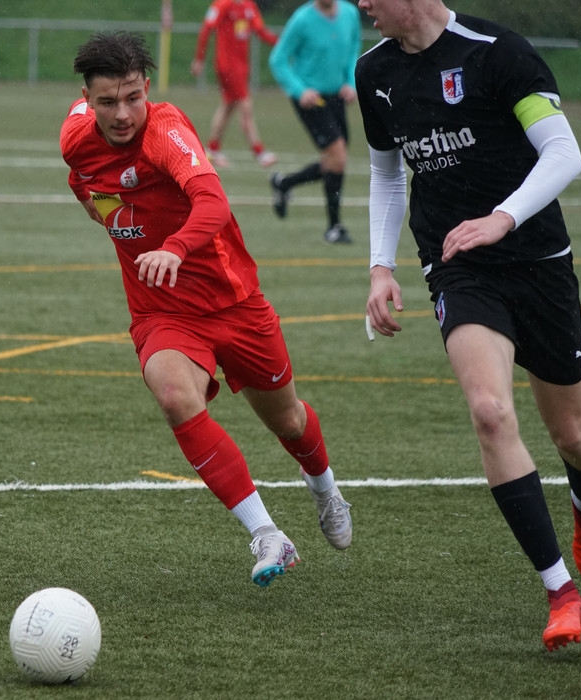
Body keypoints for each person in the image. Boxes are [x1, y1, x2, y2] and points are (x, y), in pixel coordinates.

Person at [356, 0, 581, 651]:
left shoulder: (497, 52)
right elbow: (387, 173)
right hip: (458, 266)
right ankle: (561, 593)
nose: (361, 4)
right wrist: (381, 267)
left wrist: (503, 217)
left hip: (538, 260)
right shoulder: (374, 72)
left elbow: (563, 153)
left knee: (574, 434)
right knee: (491, 413)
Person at [62, 31, 352, 587]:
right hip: (161, 311)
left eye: (133, 98)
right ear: (87, 100)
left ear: (147, 89)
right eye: (107, 101)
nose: (122, 114)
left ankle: (325, 490)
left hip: (234, 302)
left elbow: (214, 202)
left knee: (288, 420)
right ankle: (266, 533)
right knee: (175, 396)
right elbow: (83, 181)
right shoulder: (75, 137)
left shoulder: (166, 131)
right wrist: (101, 210)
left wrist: (173, 248)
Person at [268, 0, 360, 244]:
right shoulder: (302, 20)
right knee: (337, 157)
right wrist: (300, 91)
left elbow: (353, 49)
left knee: (334, 161)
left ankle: (283, 183)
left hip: (337, 97)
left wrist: (350, 81)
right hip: (312, 100)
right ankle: (334, 228)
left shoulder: (350, 14)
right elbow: (278, 59)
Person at [190, 0, 278, 169]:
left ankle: (212, 149)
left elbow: (260, 31)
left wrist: (281, 43)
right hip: (227, 66)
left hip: (241, 66)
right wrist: (199, 59)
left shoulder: (249, 6)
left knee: (228, 106)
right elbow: (206, 29)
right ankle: (259, 152)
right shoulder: (222, 5)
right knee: (245, 106)